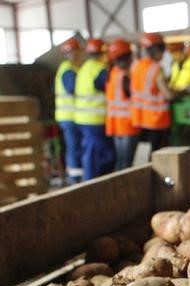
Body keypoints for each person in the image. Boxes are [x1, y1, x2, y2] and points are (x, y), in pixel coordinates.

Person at [75, 38, 115, 180]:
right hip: (95, 120)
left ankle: (92, 181)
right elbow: (112, 88)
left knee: (91, 154)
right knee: (97, 155)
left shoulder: (84, 68)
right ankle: (92, 184)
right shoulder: (99, 70)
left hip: (83, 119)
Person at [131, 33, 174, 152]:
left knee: (143, 153)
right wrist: (183, 92)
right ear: (157, 50)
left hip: (140, 118)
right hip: (156, 120)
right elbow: (168, 95)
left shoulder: (136, 66)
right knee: (156, 153)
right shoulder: (156, 68)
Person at [106, 38, 139, 171]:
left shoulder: (112, 73)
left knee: (120, 161)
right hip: (127, 125)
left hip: (115, 125)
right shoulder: (125, 76)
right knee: (126, 163)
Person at [55, 38, 84, 183]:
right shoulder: (68, 70)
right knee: (74, 147)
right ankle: (74, 178)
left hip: (71, 117)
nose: (78, 56)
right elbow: (72, 89)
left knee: (75, 147)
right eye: (75, 53)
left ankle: (75, 175)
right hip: (69, 117)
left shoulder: (73, 69)